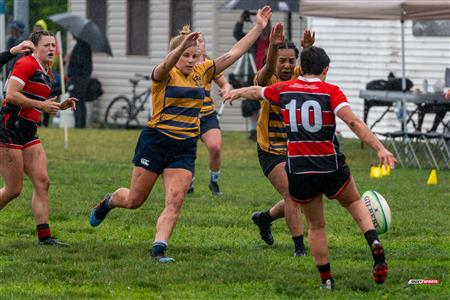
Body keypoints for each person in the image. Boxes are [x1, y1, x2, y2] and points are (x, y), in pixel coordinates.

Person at [89, 6, 273, 262]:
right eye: (186, 54)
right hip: (155, 142)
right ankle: (108, 202)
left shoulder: (203, 72)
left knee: (175, 200)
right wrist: (179, 49)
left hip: (184, 146)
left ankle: (159, 248)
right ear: (176, 55)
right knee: (134, 200)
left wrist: (258, 27)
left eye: (194, 55)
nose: (190, 60)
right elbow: (164, 65)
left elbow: (234, 52)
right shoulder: (164, 73)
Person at [224, 46, 396, 289]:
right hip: (329, 164)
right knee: (355, 203)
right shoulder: (330, 91)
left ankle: (326, 280)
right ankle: (374, 243)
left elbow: (257, 92)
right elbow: (353, 122)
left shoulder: (285, 89)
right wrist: (380, 148)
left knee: (316, 226)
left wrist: (237, 92)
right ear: (326, 69)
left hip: (300, 169)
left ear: (300, 68)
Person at [0, 31, 77, 247]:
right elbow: (11, 95)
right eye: (46, 45)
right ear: (34, 48)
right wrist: (42, 105)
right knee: (13, 189)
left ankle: (45, 237)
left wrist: (58, 106)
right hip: (9, 128)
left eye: (53, 45)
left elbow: (34, 101)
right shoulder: (26, 64)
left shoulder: (47, 71)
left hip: (29, 131)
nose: (52, 49)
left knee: (43, 182)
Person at [248, 24, 315, 256]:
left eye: (291, 60)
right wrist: (273, 46)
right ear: (275, 60)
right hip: (270, 149)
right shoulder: (265, 77)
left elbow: (312, 75)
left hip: (295, 149)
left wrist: (308, 50)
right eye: (281, 60)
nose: (286, 65)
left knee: (305, 197)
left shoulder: (300, 76)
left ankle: (264, 218)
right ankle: (299, 248)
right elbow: (265, 73)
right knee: (293, 193)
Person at [187, 33, 232, 195]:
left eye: (201, 41)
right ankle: (189, 183)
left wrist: (226, 90)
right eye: (195, 41)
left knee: (215, 147)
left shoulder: (209, 65)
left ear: (205, 45)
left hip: (207, 115)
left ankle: (214, 181)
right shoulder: (184, 64)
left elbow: (225, 83)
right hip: (188, 116)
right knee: (188, 151)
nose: (198, 44)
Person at [234, 11, 271, 141]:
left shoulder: (274, 39)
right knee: (251, 104)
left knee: (267, 102)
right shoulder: (253, 38)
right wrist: (241, 21)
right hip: (253, 73)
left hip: (268, 74)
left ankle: (265, 130)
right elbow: (238, 35)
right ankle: (253, 131)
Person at [67, 36, 92, 128]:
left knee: (76, 101)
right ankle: (81, 124)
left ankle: (79, 124)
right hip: (82, 78)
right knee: (80, 102)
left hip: (79, 78)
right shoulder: (81, 45)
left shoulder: (82, 46)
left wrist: (70, 59)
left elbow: (79, 62)